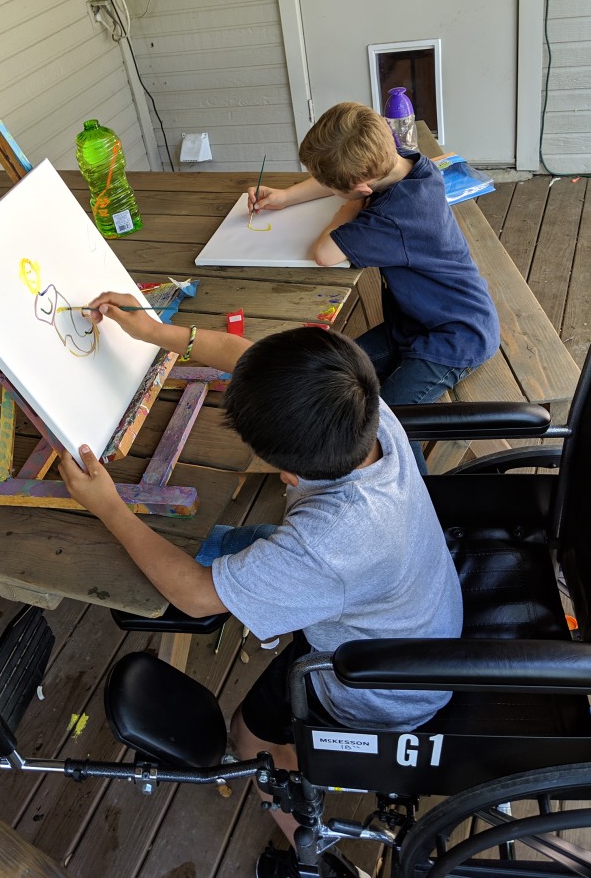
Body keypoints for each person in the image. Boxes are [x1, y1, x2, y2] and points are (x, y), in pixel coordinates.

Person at [59, 294, 463, 878]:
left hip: (380, 685)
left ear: (288, 475)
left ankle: (313, 846)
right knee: (231, 547)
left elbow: (197, 595)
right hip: (419, 614)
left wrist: (110, 508)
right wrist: (154, 331)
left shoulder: (326, 544)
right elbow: (247, 355)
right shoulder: (360, 405)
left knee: (248, 740)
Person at [247, 101, 500, 474]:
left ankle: (422, 502)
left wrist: (345, 212)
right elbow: (340, 179)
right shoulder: (408, 163)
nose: (331, 191)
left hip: (455, 337)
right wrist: (286, 197)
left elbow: (324, 252)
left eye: (336, 189)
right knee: (333, 367)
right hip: (416, 322)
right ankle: (321, 449)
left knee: (391, 425)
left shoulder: (393, 219)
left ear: (362, 186)